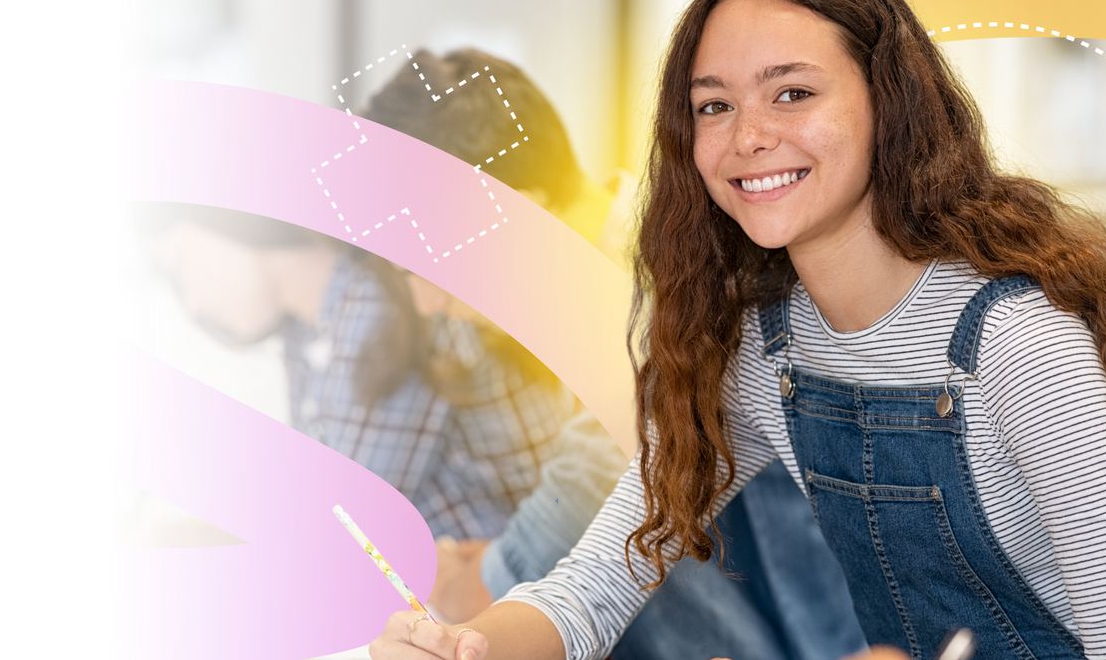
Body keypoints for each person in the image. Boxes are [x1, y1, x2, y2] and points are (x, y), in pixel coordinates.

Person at [373, 0, 1106, 660]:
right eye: (714, 105)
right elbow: (591, 587)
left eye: (792, 92)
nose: (747, 136)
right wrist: (466, 646)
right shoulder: (760, 351)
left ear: (888, 99)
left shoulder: (1016, 343)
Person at [363, 48, 867, 660]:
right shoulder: (613, 264)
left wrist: (482, 579)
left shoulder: (673, 274)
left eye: (424, 264)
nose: (424, 302)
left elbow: (600, 473)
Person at [126, 200, 573, 543]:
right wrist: (171, 537)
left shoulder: (383, 306)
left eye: (178, 265)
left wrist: (177, 537)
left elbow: (334, 532)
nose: (192, 304)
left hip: (518, 600)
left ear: (226, 211)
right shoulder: (309, 338)